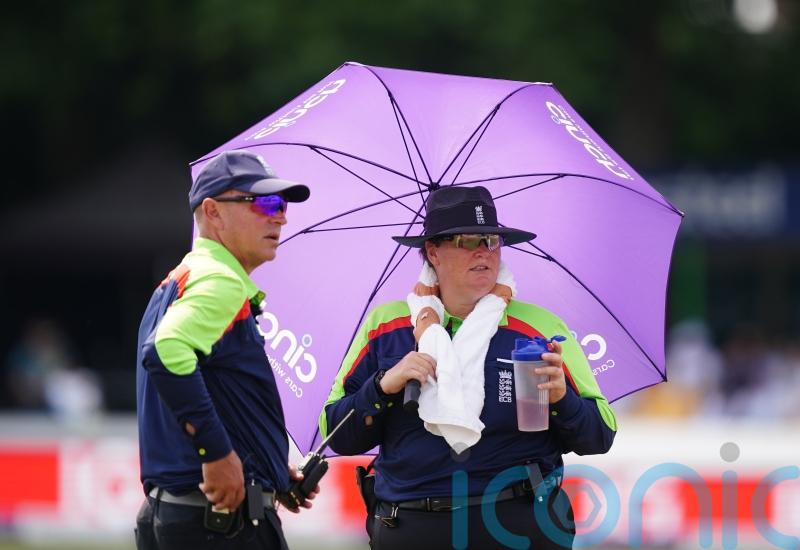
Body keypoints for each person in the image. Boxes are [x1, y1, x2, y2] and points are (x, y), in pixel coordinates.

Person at [320, 186, 617, 549]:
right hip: (413, 527)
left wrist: (561, 398)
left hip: (520, 525)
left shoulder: (541, 327)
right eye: (466, 240)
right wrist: (384, 385)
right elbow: (335, 430)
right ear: (433, 252)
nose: (483, 251)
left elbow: (600, 435)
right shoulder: (386, 325)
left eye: (492, 240)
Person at [135, 150, 316, 550]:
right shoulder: (220, 281)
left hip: (183, 513)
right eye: (264, 202)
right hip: (218, 524)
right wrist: (217, 455)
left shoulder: (180, 278)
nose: (280, 216)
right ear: (213, 212)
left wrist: (265, 469)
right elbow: (166, 352)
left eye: (282, 204)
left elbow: (207, 386)